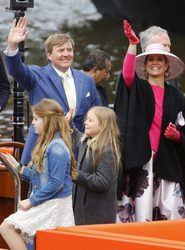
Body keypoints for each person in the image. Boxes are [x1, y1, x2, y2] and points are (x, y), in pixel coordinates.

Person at [114, 20, 185, 223]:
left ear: (167, 65)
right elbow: (127, 75)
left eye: (160, 59)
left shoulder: (177, 97)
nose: (155, 63)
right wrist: (132, 44)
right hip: (141, 161)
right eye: (151, 59)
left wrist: (177, 136)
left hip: (167, 163)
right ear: (145, 64)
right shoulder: (138, 88)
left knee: (171, 215)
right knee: (141, 215)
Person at [4, 16, 99, 164]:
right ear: (49, 55)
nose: (67, 54)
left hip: (78, 152)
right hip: (42, 150)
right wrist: (12, 46)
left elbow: (98, 113)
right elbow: (16, 70)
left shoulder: (86, 80)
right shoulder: (37, 75)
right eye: (61, 50)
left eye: (69, 50)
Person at [0, 98, 76, 250]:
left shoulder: (57, 148)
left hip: (54, 204)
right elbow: (40, 177)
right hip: (47, 201)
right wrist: (19, 167)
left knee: (6, 228)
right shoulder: (48, 144)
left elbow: (56, 183)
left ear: (47, 121)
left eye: (36, 119)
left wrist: (31, 201)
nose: (33, 123)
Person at [66, 106, 121, 225]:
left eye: (90, 120)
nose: (85, 122)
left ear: (102, 126)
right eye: (86, 119)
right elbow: (75, 135)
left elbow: (102, 182)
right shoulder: (86, 141)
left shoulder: (107, 150)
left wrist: (75, 174)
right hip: (82, 212)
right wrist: (69, 123)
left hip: (97, 217)